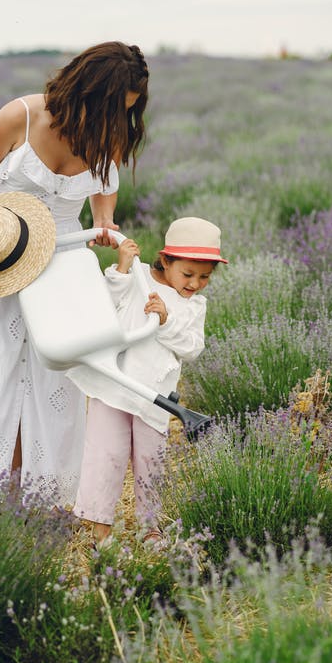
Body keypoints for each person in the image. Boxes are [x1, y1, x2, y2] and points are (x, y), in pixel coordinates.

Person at [0, 41, 149, 505]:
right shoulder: (21, 116)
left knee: (53, 379)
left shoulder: (109, 136)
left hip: (62, 268)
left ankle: (38, 500)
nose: (121, 122)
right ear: (89, 92)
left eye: (128, 112)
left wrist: (108, 234)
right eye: (116, 108)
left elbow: (102, 216)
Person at [68, 217, 228, 545]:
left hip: (154, 396)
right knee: (105, 455)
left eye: (204, 277)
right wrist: (123, 268)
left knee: (151, 462)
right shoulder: (138, 277)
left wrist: (165, 320)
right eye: (188, 274)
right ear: (165, 260)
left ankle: (150, 528)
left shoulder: (194, 304)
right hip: (114, 384)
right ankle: (101, 531)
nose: (195, 284)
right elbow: (106, 308)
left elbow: (192, 348)